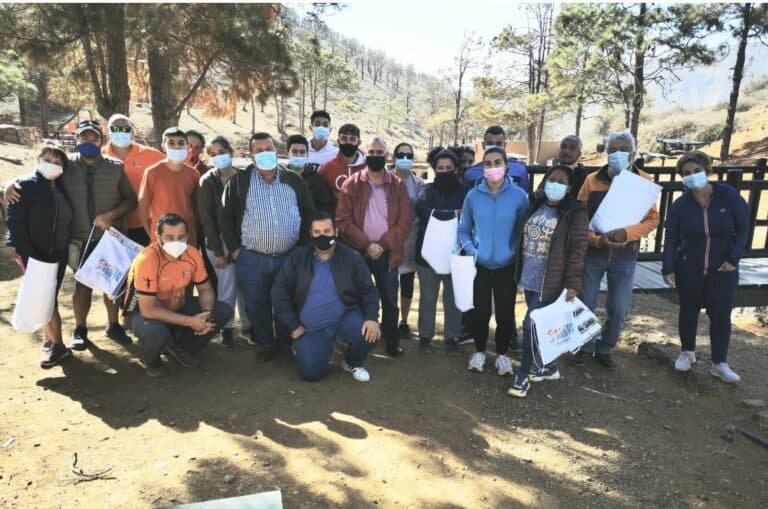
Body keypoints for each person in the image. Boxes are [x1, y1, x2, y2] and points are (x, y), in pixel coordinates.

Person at [6, 119, 138, 350]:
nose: (89, 141)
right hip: (77, 240)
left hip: (109, 237)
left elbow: (131, 200)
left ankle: (113, 324)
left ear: (101, 140)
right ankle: (80, 329)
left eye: (93, 137)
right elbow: (38, 176)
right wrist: (11, 182)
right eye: (83, 137)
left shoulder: (115, 167)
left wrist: (112, 214)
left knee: (111, 285)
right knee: (82, 286)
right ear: (76, 139)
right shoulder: (66, 166)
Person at [218, 132, 316, 361]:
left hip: (288, 255)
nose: (265, 153)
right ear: (251, 156)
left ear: (277, 151)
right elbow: (225, 217)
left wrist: (301, 249)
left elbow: (308, 214)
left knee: (287, 301)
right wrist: (234, 249)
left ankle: (285, 342)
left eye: (269, 148)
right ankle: (265, 343)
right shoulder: (239, 182)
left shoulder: (294, 180)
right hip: (252, 257)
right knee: (256, 303)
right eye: (259, 150)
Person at [573, 130, 660, 370]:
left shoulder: (644, 182)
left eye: (624, 150)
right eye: (614, 150)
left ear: (633, 153)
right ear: (606, 152)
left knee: (619, 307)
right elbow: (580, 218)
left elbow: (652, 219)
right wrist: (596, 241)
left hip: (625, 255)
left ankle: (605, 347)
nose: (618, 154)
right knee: (585, 303)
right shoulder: (592, 180)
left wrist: (627, 234)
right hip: (593, 254)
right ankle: (584, 347)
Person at [662, 151, 749, 384]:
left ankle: (719, 363)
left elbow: (743, 229)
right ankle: (687, 352)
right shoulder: (680, 206)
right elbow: (671, 238)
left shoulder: (728, 197)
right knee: (688, 310)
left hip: (723, 268)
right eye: (687, 173)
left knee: (720, 315)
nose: (692, 176)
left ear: (707, 170)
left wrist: (734, 258)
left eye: (696, 171)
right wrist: (667, 267)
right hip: (689, 266)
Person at [507, 165, 589, 398]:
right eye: (551, 179)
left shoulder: (575, 213)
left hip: (551, 279)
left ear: (570, 187)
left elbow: (577, 250)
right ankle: (549, 366)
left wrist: (573, 282)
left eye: (561, 181)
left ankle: (522, 376)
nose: (555, 184)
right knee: (540, 325)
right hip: (529, 275)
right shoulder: (536, 203)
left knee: (530, 323)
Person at [272, 213, 381, 382]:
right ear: (311, 234)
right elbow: (278, 291)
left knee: (370, 332)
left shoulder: (352, 258)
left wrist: (372, 318)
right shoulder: (298, 258)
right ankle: (319, 348)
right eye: (317, 232)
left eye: (326, 231)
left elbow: (368, 290)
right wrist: (293, 326)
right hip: (309, 328)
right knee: (310, 373)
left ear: (335, 232)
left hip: (344, 318)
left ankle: (352, 362)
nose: (322, 236)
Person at [124, 213, 233, 377]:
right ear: (158, 236)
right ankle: (152, 362)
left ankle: (181, 347)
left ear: (188, 236)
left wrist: (207, 315)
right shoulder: (147, 259)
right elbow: (148, 310)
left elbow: (205, 289)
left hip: (176, 306)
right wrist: (191, 321)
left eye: (181, 237)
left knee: (223, 311)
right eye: (169, 237)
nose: (176, 242)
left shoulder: (193, 254)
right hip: (142, 313)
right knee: (155, 333)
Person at [336, 136, 411, 358]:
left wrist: (382, 245)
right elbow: (342, 220)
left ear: (387, 156)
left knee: (389, 300)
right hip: (358, 253)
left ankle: (391, 341)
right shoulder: (352, 184)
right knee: (357, 298)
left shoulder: (397, 185)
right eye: (372, 152)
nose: (375, 156)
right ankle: (357, 340)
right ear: (364, 153)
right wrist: (367, 245)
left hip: (388, 253)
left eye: (380, 153)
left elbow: (405, 222)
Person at [458, 146, 529, 375]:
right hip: (480, 264)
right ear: (482, 168)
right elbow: (464, 229)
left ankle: (502, 355)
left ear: (506, 166)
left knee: (506, 312)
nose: (492, 167)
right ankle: (479, 352)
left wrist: (513, 250)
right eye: (487, 163)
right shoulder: (473, 195)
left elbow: (523, 229)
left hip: (506, 266)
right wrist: (471, 249)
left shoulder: (519, 195)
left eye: (497, 162)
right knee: (480, 311)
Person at [6, 140, 73, 368]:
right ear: (38, 159)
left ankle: (50, 338)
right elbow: (14, 221)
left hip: (59, 251)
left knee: (49, 296)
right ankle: (58, 346)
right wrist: (26, 253)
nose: (52, 164)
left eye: (57, 161)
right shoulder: (25, 185)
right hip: (35, 254)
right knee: (46, 299)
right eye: (47, 159)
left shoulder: (61, 185)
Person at [415, 148, 466, 354]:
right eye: (440, 168)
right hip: (427, 255)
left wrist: (441, 215)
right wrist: (454, 214)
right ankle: (425, 337)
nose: (444, 172)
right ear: (434, 169)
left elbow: (468, 215)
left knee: (453, 299)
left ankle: (452, 337)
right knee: (428, 298)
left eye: (449, 168)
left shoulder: (466, 192)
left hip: (456, 254)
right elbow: (422, 210)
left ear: (456, 169)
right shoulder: (426, 191)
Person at [198, 135, 242, 347]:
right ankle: (226, 328)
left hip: (242, 243)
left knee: (244, 286)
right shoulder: (207, 181)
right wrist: (218, 252)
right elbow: (207, 219)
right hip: (219, 244)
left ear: (231, 152)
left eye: (221, 153)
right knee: (227, 286)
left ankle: (248, 326)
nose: (218, 157)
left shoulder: (243, 178)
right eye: (213, 155)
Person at [102, 113, 164, 246]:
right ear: (108, 132)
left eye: (125, 129)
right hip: (111, 225)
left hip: (143, 224)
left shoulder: (152, 155)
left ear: (133, 132)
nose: (121, 132)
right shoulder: (100, 156)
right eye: (115, 129)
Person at [138, 127, 200, 246]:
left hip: (187, 238)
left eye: (181, 143)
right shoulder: (152, 173)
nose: (177, 147)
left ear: (188, 147)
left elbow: (196, 207)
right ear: (163, 146)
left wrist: (193, 229)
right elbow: (143, 207)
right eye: (171, 143)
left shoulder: (193, 174)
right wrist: (152, 233)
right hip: (162, 238)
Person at [392, 142, 425, 339]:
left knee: (407, 281)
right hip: (389, 239)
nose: (405, 158)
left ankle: (404, 320)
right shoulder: (384, 180)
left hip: (411, 241)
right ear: (394, 157)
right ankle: (387, 317)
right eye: (400, 154)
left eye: (408, 155)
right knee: (387, 284)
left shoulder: (419, 184)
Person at [463, 126, 529, 193]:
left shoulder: (519, 170)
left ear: (504, 145)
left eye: (498, 143)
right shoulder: (471, 174)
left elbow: (523, 198)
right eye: (490, 143)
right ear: (483, 145)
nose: (494, 147)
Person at [319, 123, 367, 204]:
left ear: (358, 142)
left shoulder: (368, 167)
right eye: (344, 139)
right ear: (338, 141)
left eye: (352, 139)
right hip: (335, 215)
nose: (348, 142)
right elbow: (320, 198)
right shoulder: (327, 168)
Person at [287, 134, 335, 214]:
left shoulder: (318, 181)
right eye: (294, 152)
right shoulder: (279, 178)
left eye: (302, 152)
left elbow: (327, 209)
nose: (298, 155)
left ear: (307, 155)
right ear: (287, 154)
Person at [555, 134, 588, 200]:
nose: (566, 151)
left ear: (579, 154)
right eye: (563, 147)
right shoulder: (552, 171)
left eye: (572, 148)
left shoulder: (584, 176)